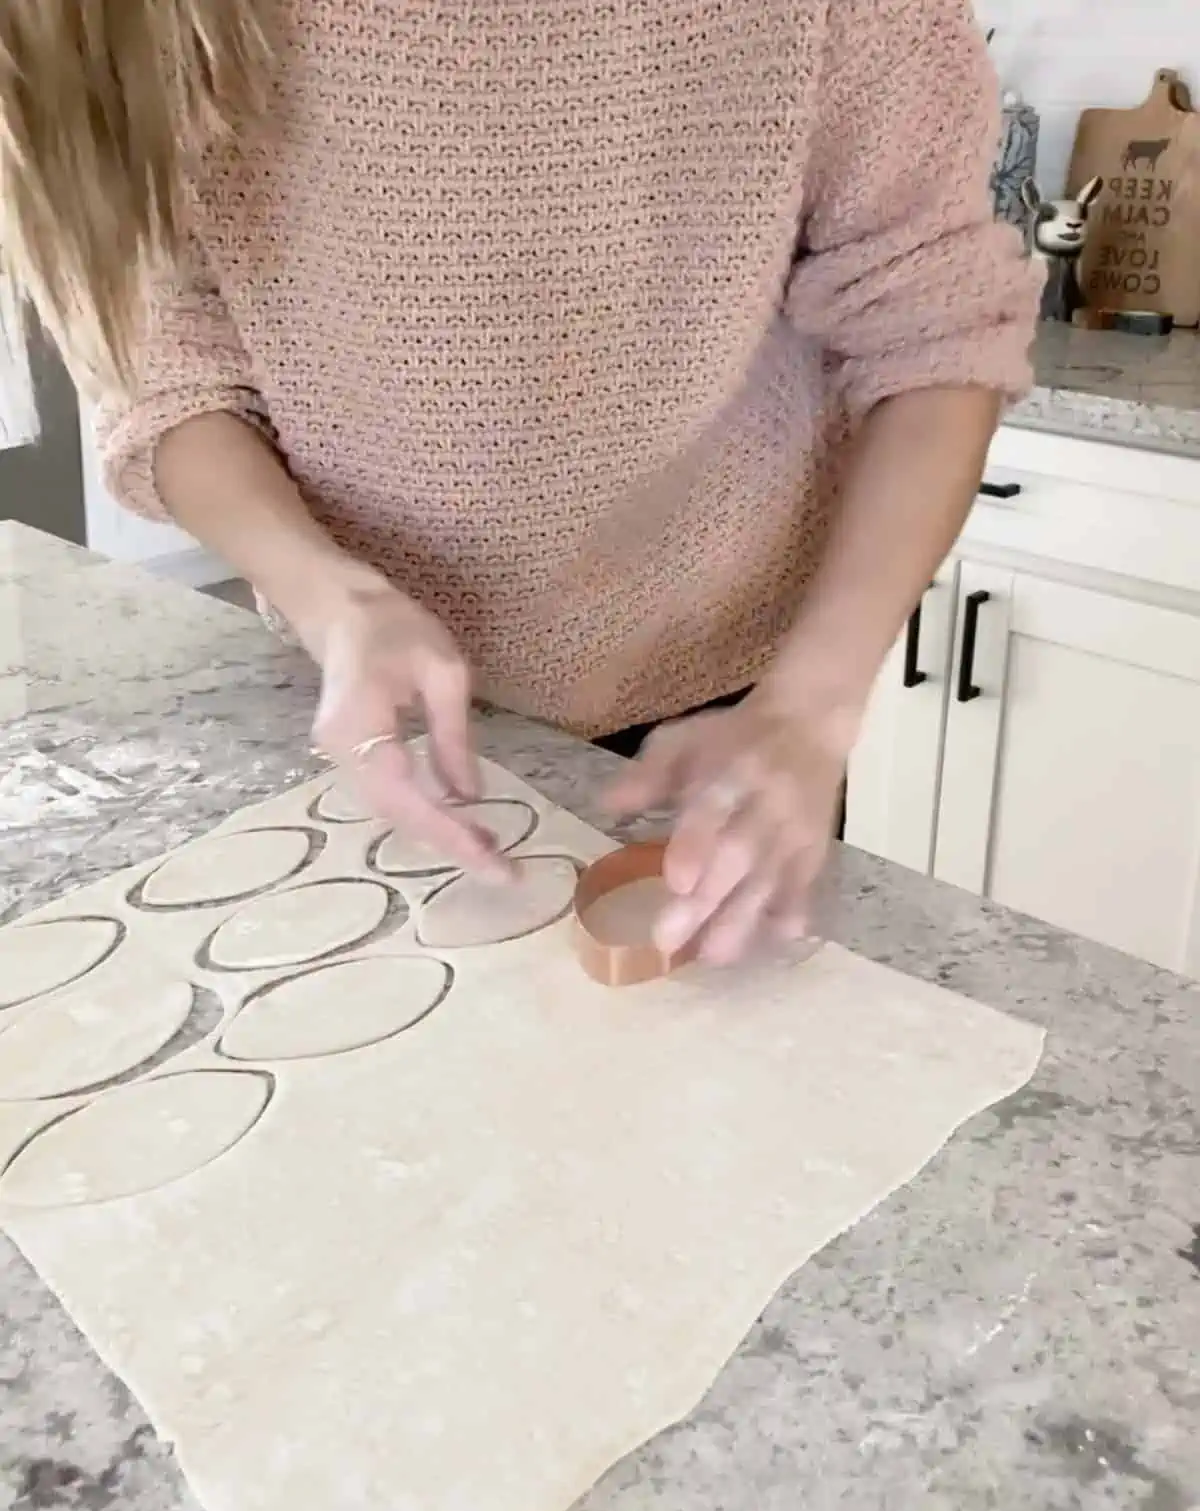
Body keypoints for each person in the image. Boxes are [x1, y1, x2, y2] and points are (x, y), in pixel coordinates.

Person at [0, 0, 1038, 964]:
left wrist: (813, 705)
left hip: (733, 705)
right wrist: (334, 597)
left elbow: (933, 330)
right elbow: (166, 370)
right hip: (362, 699)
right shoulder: (84, 22)